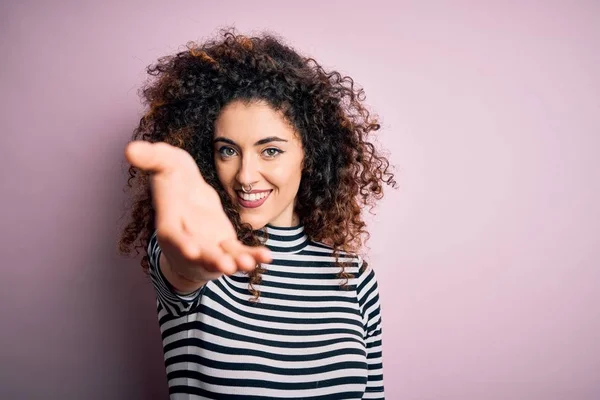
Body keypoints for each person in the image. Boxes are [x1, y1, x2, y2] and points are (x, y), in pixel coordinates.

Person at [119, 28, 396, 400]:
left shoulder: (356, 280)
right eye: (228, 151)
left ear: (309, 154)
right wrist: (192, 266)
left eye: (270, 151)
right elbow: (183, 271)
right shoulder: (199, 250)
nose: (245, 176)